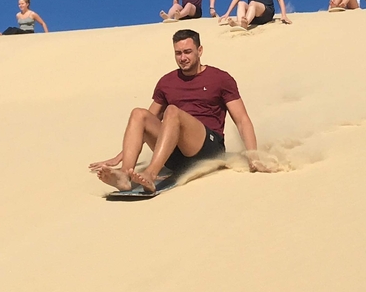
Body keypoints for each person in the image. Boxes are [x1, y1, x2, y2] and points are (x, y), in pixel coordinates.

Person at [88, 29, 269, 192]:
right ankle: (125, 175)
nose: (183, 57)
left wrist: (253, 156)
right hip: (175, 155)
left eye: (188, 52)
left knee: (172, 112)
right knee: (138, 113)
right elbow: (144, 123)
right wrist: (120, 156)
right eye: (178, 53)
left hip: (208, 148)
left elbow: (242, 120)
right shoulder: (166, 82)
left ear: (200, 51)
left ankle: (151, 174)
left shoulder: (220, 78)